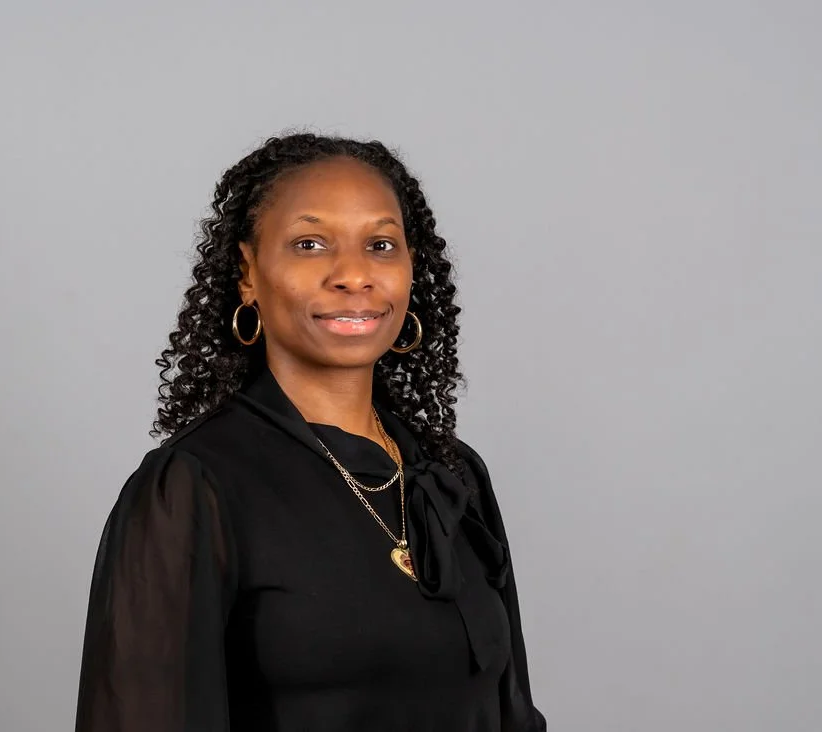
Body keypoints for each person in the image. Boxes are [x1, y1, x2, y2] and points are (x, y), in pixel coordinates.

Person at [74, 132, 547, 731]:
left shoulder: (453, 475)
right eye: (310, 243)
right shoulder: (194, 487)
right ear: (248, 273)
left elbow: (512, 714)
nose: (354, 274)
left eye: (380, 244)